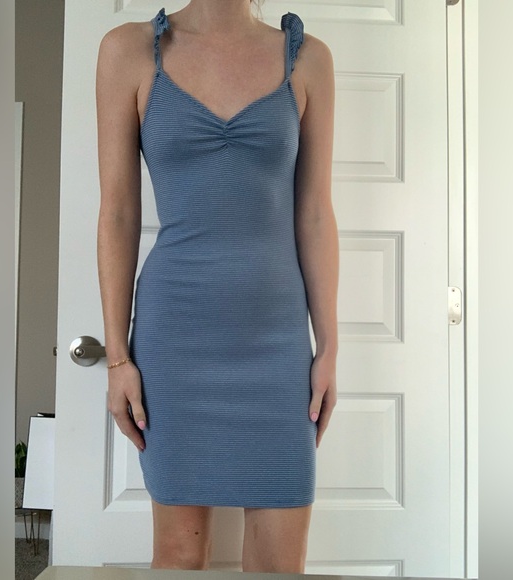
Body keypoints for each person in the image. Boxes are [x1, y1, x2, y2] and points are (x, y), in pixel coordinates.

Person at [96, 0, 338, 573]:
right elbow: (119, 214)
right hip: (175, 341)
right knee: (178, 556)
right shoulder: (129, 50)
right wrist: (117, 358)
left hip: (276, 343)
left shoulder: (308, 58)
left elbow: (314, 214)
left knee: (280, 564)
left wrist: (328, 347)